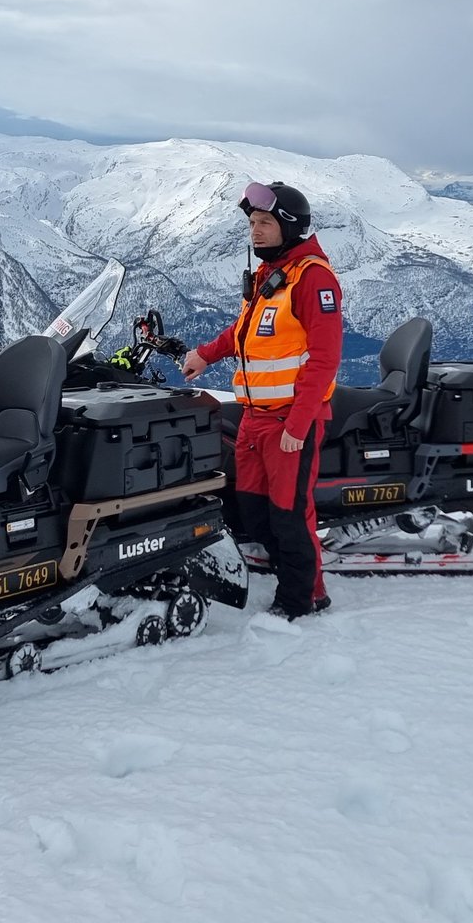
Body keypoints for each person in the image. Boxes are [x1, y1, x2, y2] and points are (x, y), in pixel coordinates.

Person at [182, 180, 343, 620]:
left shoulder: (313, 279)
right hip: (255, 417)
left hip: (292, 420)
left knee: (290, 515)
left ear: (288, 227)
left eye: (265, 223)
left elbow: (326, 360)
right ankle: (287, 572)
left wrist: (299, 424)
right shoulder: (272, 277)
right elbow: (243, 335)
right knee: (252, 510)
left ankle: (305, 597)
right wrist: (204, 355)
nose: (255, 231)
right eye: (252, 222)